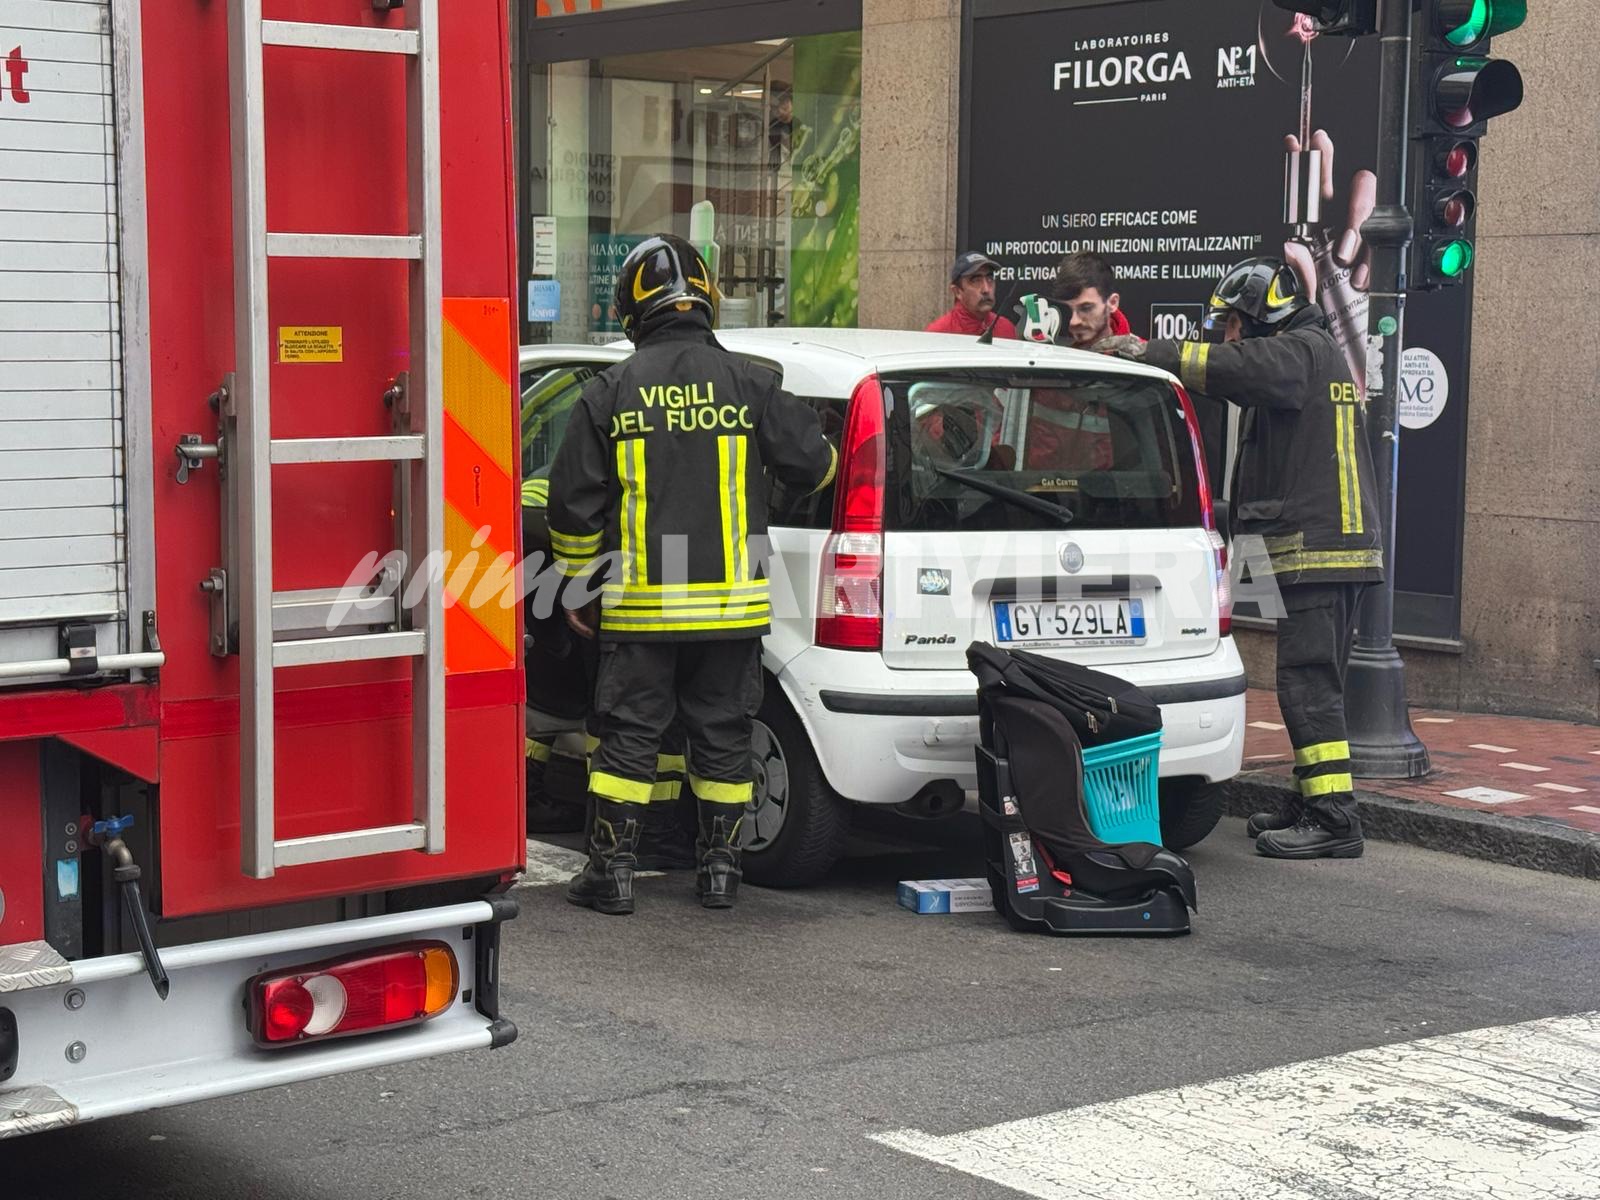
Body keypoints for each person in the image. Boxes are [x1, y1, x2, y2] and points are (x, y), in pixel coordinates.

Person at [547, 233, 837, 914]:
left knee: (629, 736)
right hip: (733, 611)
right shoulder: (754, 383)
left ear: (630, 308)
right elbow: (816, 466)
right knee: (724, 738)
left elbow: (573, 503)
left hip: (640, 610)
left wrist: (578, 584)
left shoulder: (609, 391)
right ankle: (720, 873)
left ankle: (611, 873)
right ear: (707, 297)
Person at [1096, 257, 1382, 860]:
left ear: (1260, 317)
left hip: (1318, 553)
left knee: (1309, 684)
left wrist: (1154, 354)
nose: (1224, 336)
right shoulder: (1301, 362)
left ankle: (1334, 818)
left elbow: (1238, 367)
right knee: (1305, 681)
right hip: (1305, 548)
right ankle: (1312, 799)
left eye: (1230, 324)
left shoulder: (1304, 351)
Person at [1049, 251, 1136, 348]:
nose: (1074, 321)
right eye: (1066, 310)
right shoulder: (1043, 353)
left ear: (1112, 303)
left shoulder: (1140, 357)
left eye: (1086, 308)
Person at [926, 252, 1016, 339]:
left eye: (990, 278)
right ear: (957, 292)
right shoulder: (939, 334)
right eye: (976, 280)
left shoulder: (1005, 328)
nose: (986, 289)